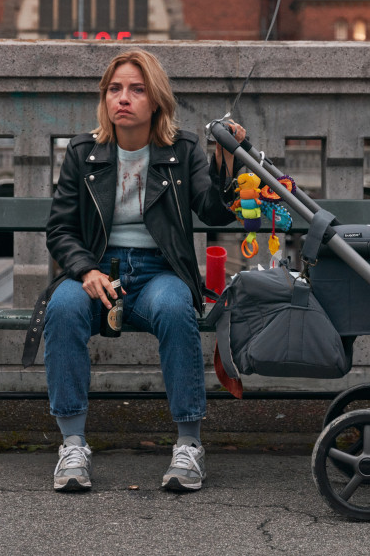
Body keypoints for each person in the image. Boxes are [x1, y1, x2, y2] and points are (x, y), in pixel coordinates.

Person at [42, 48, 244, 493]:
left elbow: (213, 212)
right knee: (63, 309)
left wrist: (226, 161)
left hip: (159, 273)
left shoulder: (183, 149)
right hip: (97, 273)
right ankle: (72, 444)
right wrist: (84, 270)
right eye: (115, 89)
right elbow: (60, 229)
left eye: (136, 89)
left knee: (175, 310)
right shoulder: (84, 153)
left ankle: (189, 444)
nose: (124, 98)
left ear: (155, 100)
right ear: (105, 99)